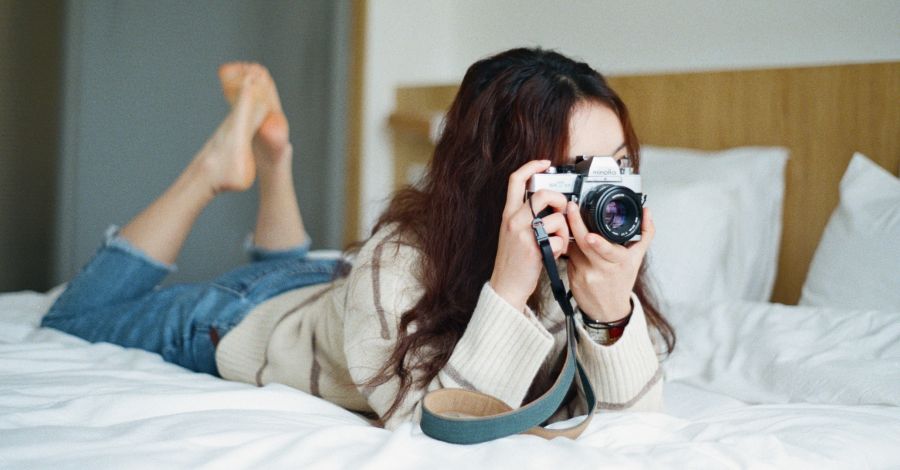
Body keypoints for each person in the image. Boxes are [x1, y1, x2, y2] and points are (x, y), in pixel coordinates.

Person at [42, 48, 675, 430]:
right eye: (573, 173)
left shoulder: (588, 257)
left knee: (323, 300)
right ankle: (211, 171)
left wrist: (611, 308)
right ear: (499, 179)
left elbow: (634, 425)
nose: (604, 191)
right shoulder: (401, 259)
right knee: (73, 317)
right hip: (249, 317)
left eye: (616, 164)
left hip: (338, 296)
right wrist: (511, 286)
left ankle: (273, 157)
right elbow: (438, 425)